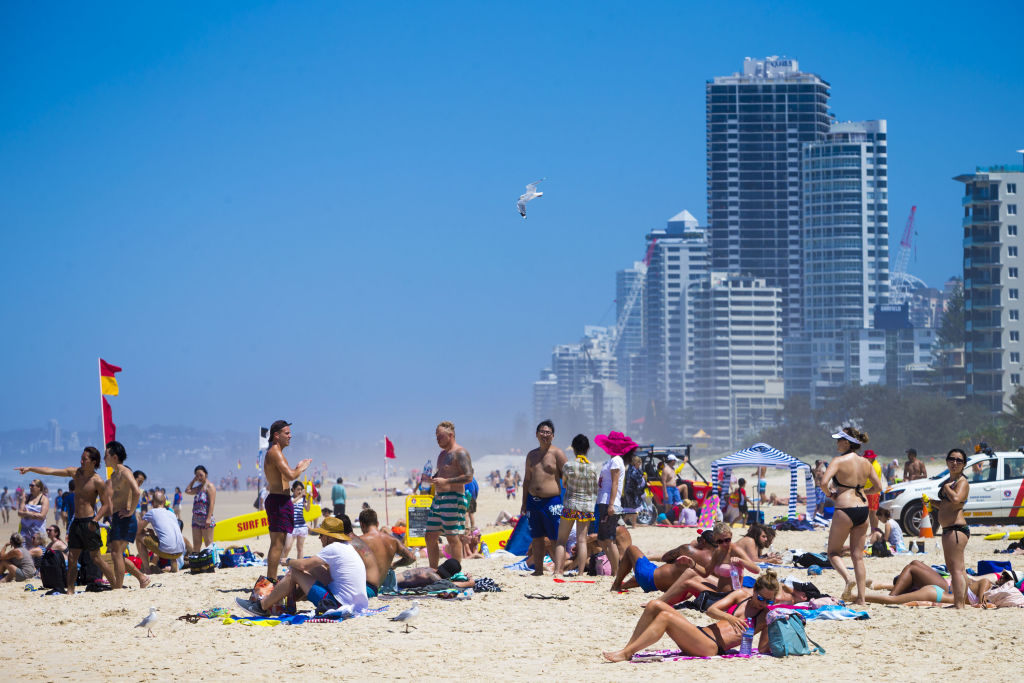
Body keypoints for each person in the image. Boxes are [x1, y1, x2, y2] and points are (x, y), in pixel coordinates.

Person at [603, 570, 780, 662]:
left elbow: (764, 649)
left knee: (665, 617)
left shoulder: (767, 615)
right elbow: (711, 610)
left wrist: (776, 624)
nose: (764, 603)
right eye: (761, 598)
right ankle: (628, 649)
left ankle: (627, 653)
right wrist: (731, 618)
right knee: (654, 605)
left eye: (769, 601)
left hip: (711, 647)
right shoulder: (741, 595)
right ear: (754, 590)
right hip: (700, 633)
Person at [14, 447, 117, 594]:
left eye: (84, 459)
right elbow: (51, 470)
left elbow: (107, 504)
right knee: (73, 558)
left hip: (89, 522)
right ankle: (70, 591)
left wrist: (95, 520)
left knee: (96, 558)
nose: (81, 461)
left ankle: (116, 586)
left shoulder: (98, 481)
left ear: (94, 462)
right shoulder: (75, 473)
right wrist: (30, 468)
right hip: (76, 522)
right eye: (81, 458)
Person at [236, 516, 368, 617]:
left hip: (338, 604)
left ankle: (262, 606)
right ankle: (284, 602)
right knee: (308, 565)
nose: (319, 538)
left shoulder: (333, 548)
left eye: (321, 535)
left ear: (329, 537)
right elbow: (326, 578)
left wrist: (288, 561)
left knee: (294, 572)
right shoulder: (346, 547)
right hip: (355, 604)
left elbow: (303, 565)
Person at [821, 425, 882, 604]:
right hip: (862, 508)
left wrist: (831, 494)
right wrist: (864, 491)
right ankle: (861, 599)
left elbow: (824, 482)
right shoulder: (865, 462)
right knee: (858, 557)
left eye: (839, 440)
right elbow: (878, 487)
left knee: (833, 552)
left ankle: (848, 579)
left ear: (847, 443)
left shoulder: (838, 461)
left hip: (844, 507)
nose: (837, 443)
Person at [261, 419, 312, 583]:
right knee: (277, 543)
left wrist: (296, 468)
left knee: (279, 543)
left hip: (281, 500)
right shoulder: (275, 451)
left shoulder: (277, 452)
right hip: (277, 501)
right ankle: (272, 579)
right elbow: (291, 476)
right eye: (287, 433)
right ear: (276, 435)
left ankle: (272, 578)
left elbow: (285, 475)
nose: (290, 436)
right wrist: (301, 468)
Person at [94, 441, 146, 589]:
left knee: (116, 553)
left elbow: (136, 491)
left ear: (114, 457)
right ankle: (141, 578)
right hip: (118, 517)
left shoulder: (124, 472)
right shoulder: (115, 474)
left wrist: (130, 511)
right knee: (116, 554)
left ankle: (118, 586)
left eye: (106, 456)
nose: (104, 459)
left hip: (126, 518)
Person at [424, 421, 474, 571]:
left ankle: (455, 572)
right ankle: (433, 570)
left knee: (453, 537)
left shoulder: (460, 453)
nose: (438, 439)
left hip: (454, 497)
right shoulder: (442, 454)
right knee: (430, 535)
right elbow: (442, 474)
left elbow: (469, 476)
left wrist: (447, 481)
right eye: (436, 437)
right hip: (439, 499)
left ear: (450, 435)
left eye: (440, 436)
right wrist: (431, 479)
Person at [521, 419, 567, 577]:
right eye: (542, 432)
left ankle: (558, 569)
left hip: (552, 502)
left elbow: (568, 475)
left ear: (553, 436)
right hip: (533, 502)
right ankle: (538, 569)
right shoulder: (531, 455)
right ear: (536, 434)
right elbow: (527, 480)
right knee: (537, 538)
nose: (544, 435)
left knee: (555, 537)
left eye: (548, 432)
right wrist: (523, 503)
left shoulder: (557, 453)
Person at [555, 434, 599, 577]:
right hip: (586, 508)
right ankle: (580, 572)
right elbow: (594, 489)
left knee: (561, 539)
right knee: (582, 540)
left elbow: (565, 484)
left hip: (570, 505)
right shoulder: (592, 467)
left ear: (573, 449)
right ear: (587, 449)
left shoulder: (568, 465)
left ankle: (557, 571)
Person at [865, 559, 992, 606]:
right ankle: (891, 593)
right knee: (915, 563)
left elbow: (983, 592)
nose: (1002, 579)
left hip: (945, 590)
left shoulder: (986, 587)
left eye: (1004, 578)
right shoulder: (989, 588)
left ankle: (892, 595)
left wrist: (982, 600)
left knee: (913, 567)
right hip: (945, 587)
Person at [594, 431, 632, 575]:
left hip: (609, 501)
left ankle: (616, 571)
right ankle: (615, 570)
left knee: (608, 539)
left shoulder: (616, 460)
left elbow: (615, 484)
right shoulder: (612, 460)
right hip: (604, 500)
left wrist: (611, 504)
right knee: (603, 539)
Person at [938, 447, 970, 608]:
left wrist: (945, 489)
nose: (954, 463)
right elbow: (947, 505)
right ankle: (961, 602)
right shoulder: (950, 481)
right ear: (947, 461)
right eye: (952, 459)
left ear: (964, 465)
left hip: (956, 530)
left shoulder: (962, 482)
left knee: (956, 569)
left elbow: (957, 500)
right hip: (950, 530)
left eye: (959, 460)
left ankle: (959, 604)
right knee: (957, 568)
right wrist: (933, 503)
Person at [356, 508, 416, 595]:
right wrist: (395, 564)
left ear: (362, 525)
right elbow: (412, 557)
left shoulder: (359, 541)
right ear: (377, 523)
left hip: (366, 587)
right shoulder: (393, 541)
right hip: (381, 588)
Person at [136, 490, 185, 574]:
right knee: (169, 538)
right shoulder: (171, 513)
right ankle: (174, 567)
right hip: (180, 552)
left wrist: (144, 529)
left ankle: (147, 569)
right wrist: (150, 532)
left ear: (153, 502)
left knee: (139, 537)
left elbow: (137, 530)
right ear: (165, 501)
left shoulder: (152, 512)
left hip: (166, 552)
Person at [185, 464, 217, 550]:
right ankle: (197, 562)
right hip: (195, 519)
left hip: (205, 518)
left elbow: (212, 503)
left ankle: (212, 562)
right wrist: (193, 480)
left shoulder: (210, 486)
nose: (199, 477)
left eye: (201, 475)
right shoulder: (199, 488)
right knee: (196, 544)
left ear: (206, 474)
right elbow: (187, 491)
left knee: (208, 543)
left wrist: (209, 518)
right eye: (197, 476)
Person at [17, 479, 49, 548]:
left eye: (32, 486)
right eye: (29, 485)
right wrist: (34, 514)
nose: (30, 487)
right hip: (25, 532)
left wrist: (27, 513)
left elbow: (42, 516)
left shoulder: (44, 499)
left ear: (39, 487)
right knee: (23, 553)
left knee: (38, 555)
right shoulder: (26, 497)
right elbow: (19, 513)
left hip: (38, 533)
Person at [283, 481, 310, 560]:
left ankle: (299, 566)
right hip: (291, 526)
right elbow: (290, 504)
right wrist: (300, 496)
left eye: (301, 489)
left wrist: (309, 498)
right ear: (293, 489)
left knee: (300, 548)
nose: (300, 491)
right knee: (287, 547)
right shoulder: (289, 498)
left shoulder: (303, 499)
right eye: (298, 489)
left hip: (301, 526)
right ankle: (282, 562)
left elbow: (307, 509)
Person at [861, 449, 885, 531]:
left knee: (873, 512)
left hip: (872, 491)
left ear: (871, 458)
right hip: (870, 491)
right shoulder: (872, 464)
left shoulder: (875, 466)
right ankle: (873, 530)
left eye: (867, 458)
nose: (865, 459)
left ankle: (874, 530)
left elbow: (869, 479)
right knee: (871, 512)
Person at [620, 454, 646, 527]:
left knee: (633, 509)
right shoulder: (633, 471)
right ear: (635, 462)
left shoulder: (633, 469)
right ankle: (626, 523)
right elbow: (637, 480)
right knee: (634, 509)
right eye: (639, 462)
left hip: (632, 492)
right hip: (631, 492)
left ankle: (632, 524)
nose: (640, 464)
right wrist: (642, 477)